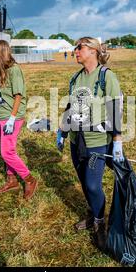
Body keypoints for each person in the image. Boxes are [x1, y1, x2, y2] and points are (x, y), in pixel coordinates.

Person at [56, 37, 124, 250]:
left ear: (93, 51)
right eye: (76, 48)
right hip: (77, 140)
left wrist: (117, 140)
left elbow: (115, 109)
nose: (76, 51)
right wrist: (62, 130)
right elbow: (70, 106)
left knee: (93, 184)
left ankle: (100, 223)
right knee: (85, 183)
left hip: (97, 141)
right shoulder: (76, 77)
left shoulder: (106, 76)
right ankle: (94, 213)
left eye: (80, 48)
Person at [0, 40, 38, 201]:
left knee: (6, 152)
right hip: (1, 116)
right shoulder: (2, 70)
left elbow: (18, 96)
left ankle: (29, 179)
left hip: (11, 117)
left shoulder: (14, 70)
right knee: (7, 151)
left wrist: (12, 118)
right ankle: (12, 180)